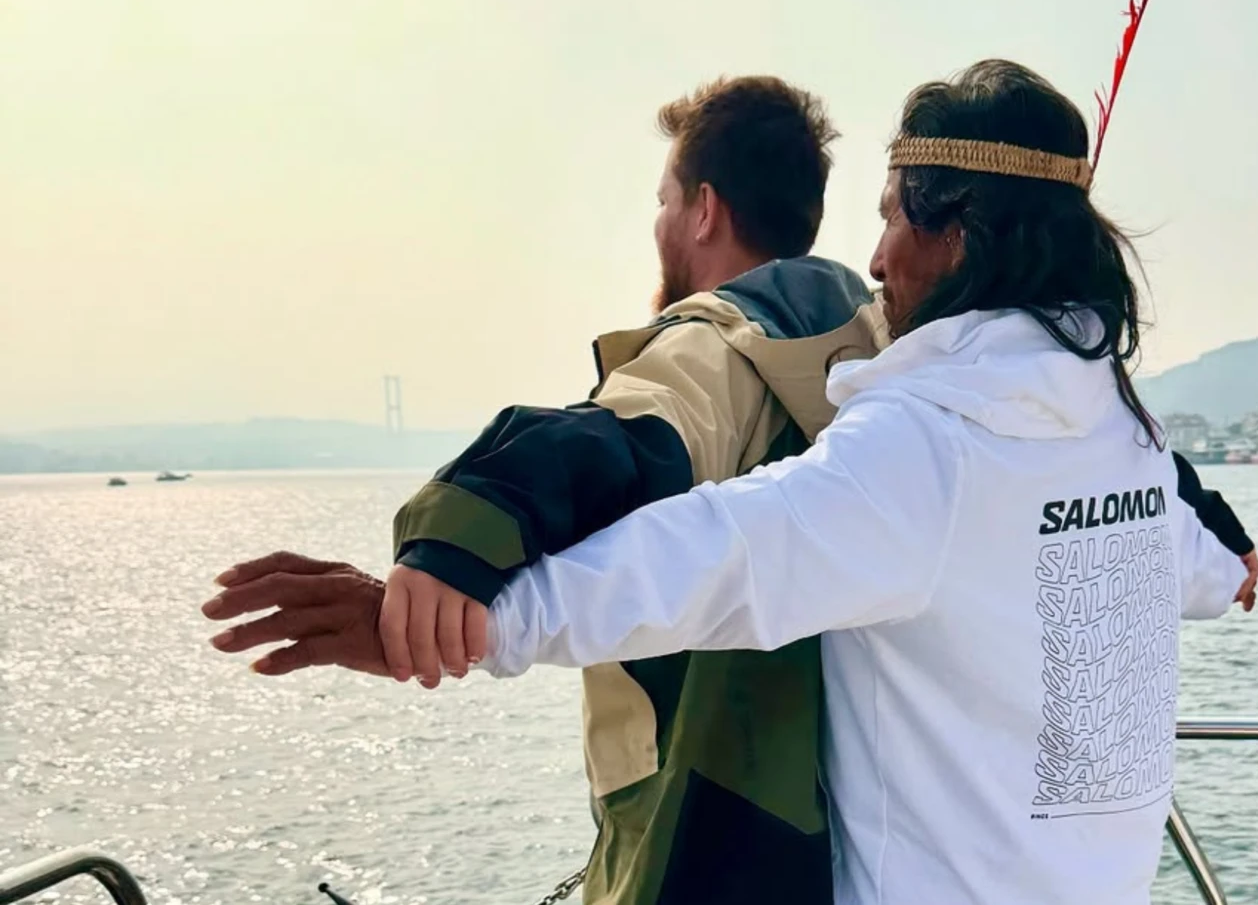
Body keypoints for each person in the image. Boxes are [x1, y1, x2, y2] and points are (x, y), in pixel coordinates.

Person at [204, 65, 1258, 905]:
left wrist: (450, 616)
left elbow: (715, 554)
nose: (878, 256)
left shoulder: (925, 448)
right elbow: (1196, 564)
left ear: (959, 232)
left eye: (895, 215)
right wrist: (1229, 559)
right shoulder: (1117, 435)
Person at [208, 74, 886, 905]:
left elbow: (632, 438)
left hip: (704, 841)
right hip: (844, 848)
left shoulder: (721, 347)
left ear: (704, 210)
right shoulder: (880, 359)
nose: (661, 223)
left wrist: (452, 542)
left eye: (665, 199)